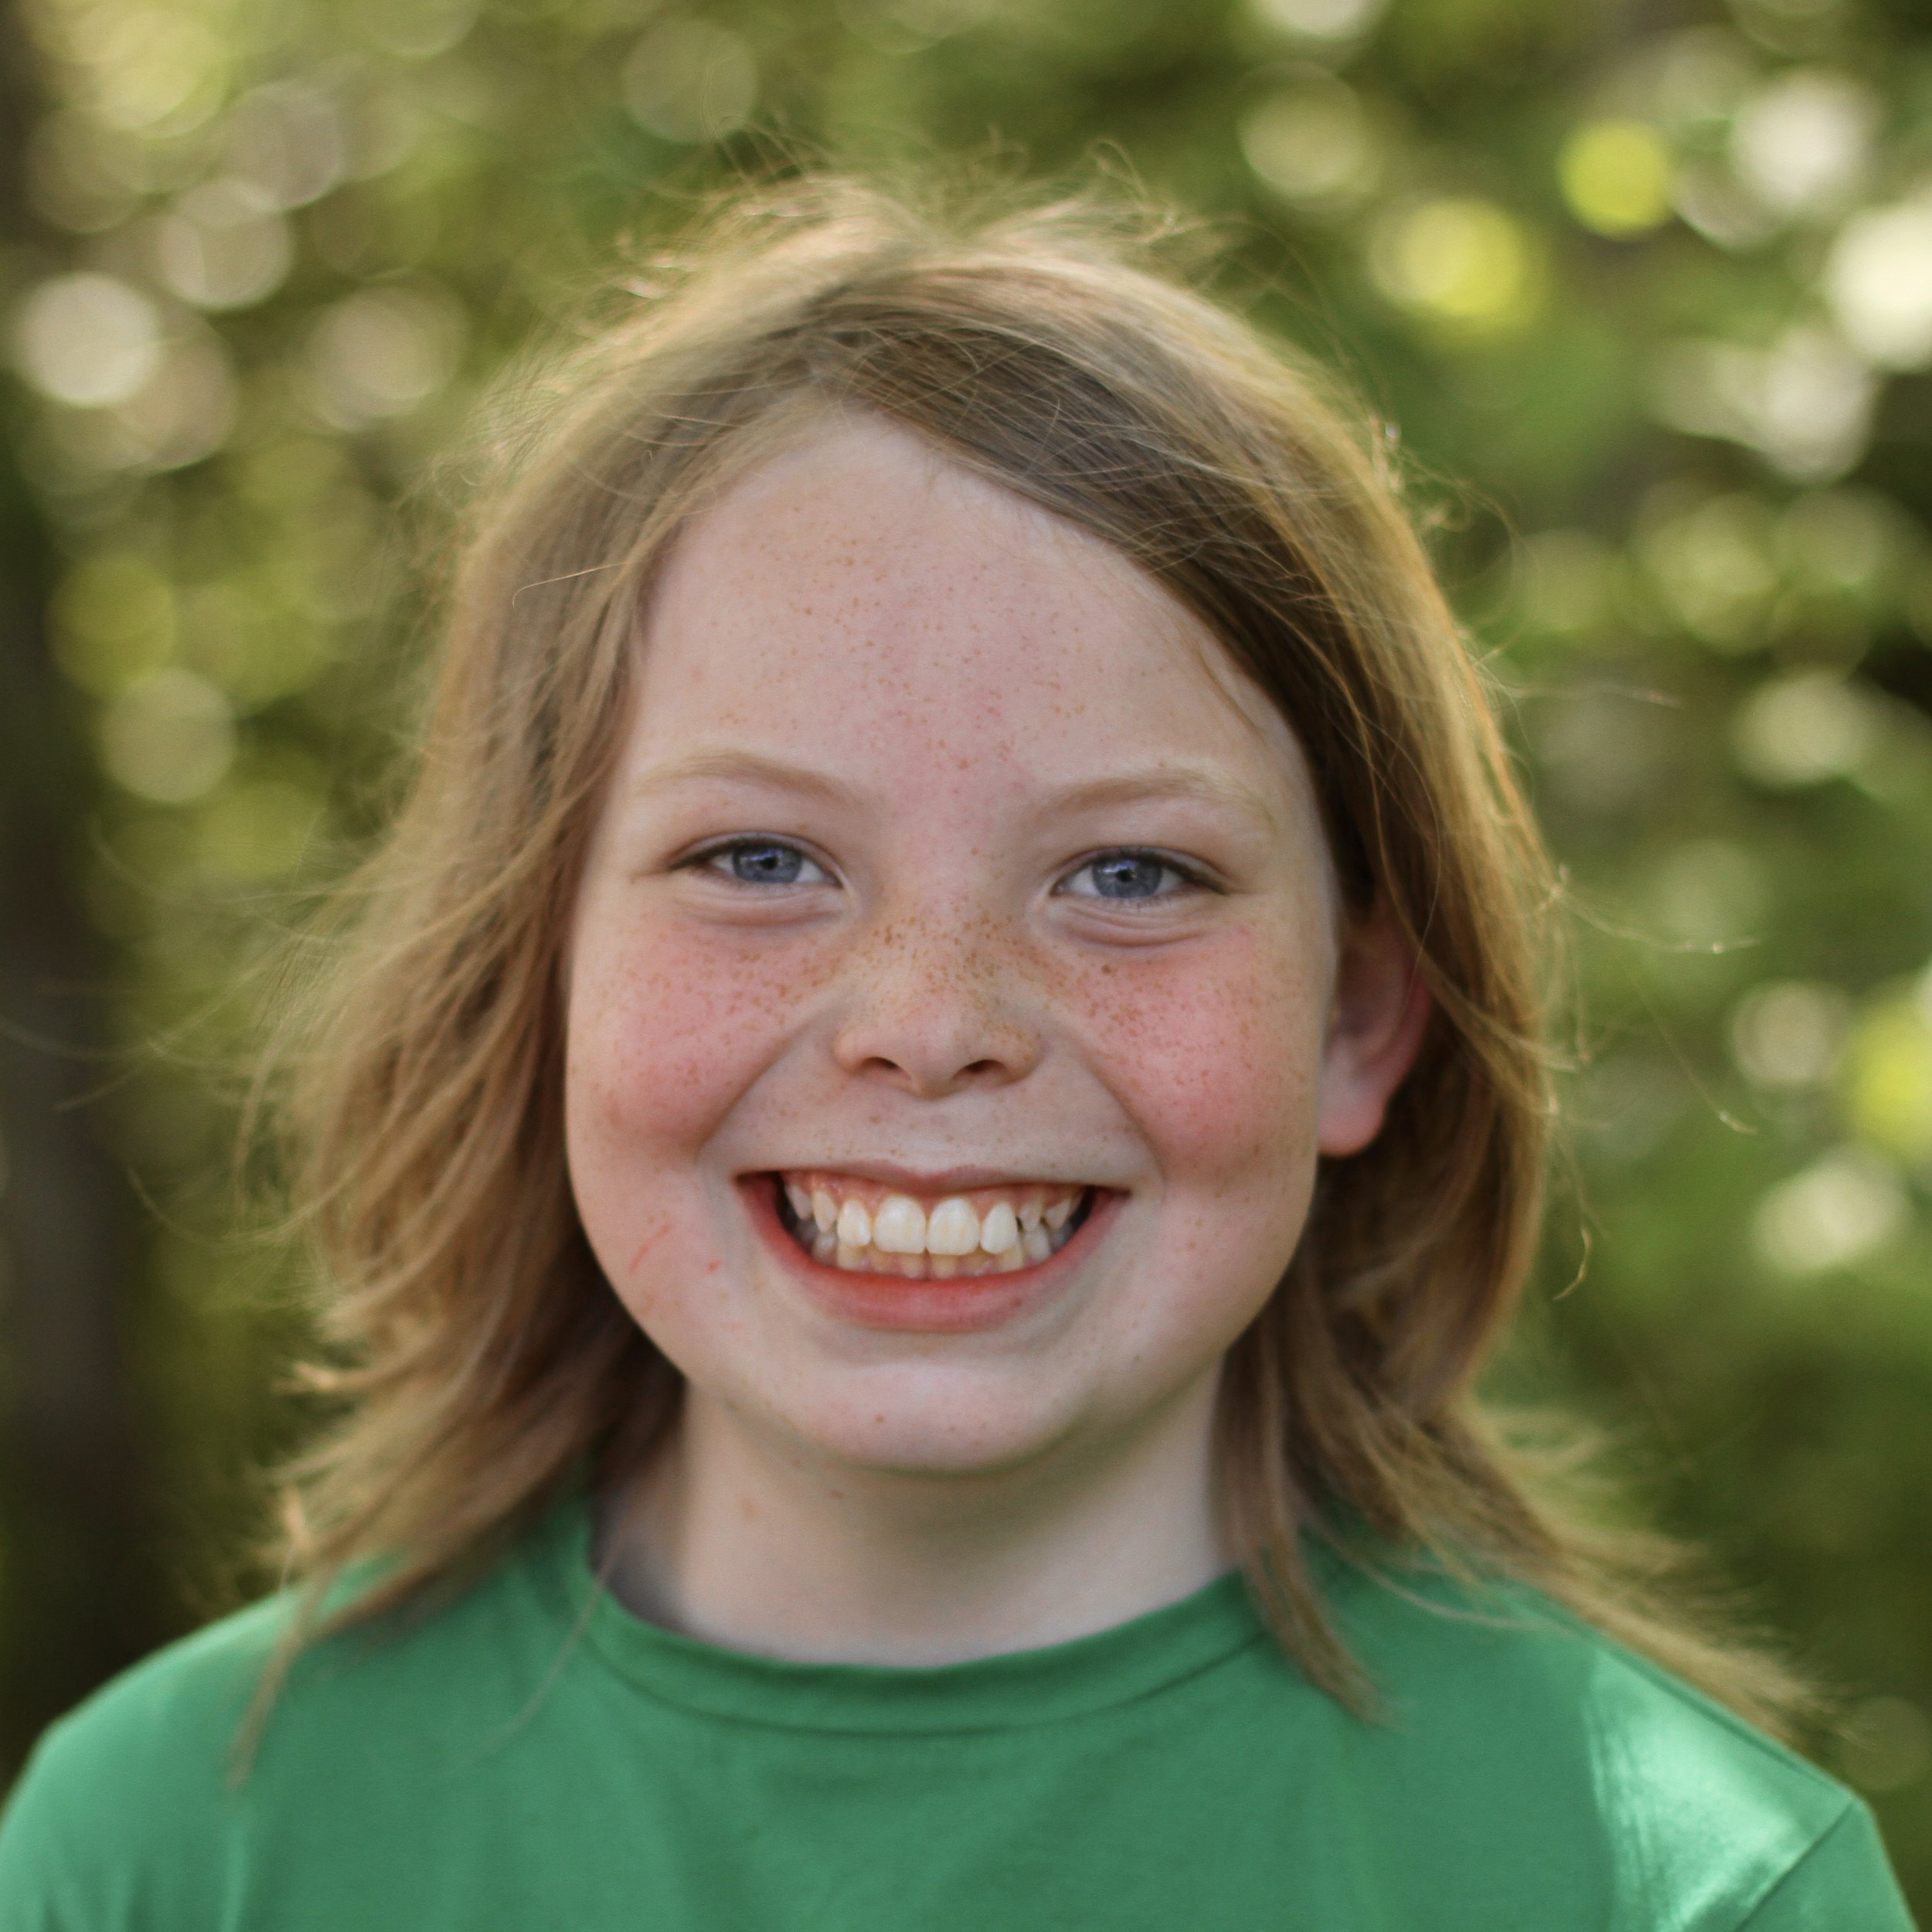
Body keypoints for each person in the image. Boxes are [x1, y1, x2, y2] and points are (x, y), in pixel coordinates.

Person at [0, 176, 1914, 1930]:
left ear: (1353, 1015)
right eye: (757, 858)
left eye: (1128, 871)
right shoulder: (172, 1850)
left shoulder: (1683, 1888)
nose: (930, 1022)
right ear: (539, 965)